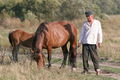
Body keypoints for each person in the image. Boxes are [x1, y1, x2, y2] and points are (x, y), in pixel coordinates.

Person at [78, 11, 103, 75]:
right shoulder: (85, 24)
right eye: (86, 17)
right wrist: (80, 41)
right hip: (85, 43)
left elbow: (100, 33)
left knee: (94, 57)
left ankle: (97, 70)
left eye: (88, 16)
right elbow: (82, 33)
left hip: (93, 43)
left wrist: (100, 41)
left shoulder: (97, 23)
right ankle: (86, 70)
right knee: (85, 58)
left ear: (92, 16)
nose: (87, 18)